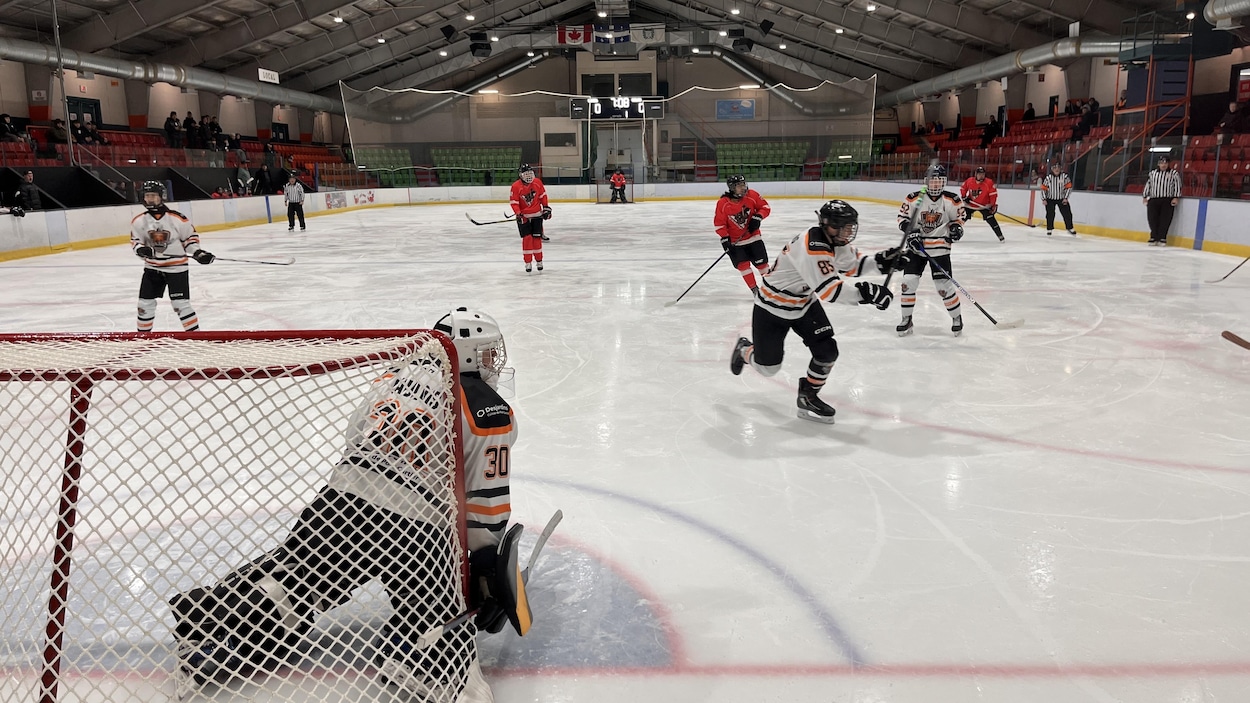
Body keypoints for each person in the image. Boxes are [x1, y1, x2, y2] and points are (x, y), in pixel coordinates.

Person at [169, 307, 518, 701]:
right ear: (468, 353)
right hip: (416, 531)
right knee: (437, 623)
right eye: (487, 352)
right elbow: (485, 501)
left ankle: (214, 623)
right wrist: (485, 568)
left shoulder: (394, 376)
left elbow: (355, 432)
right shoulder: (487, 407)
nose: (494, 362)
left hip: (342, 500)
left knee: (297, 580)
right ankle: (415, 661)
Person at [730, 200, 897, 423]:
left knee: (828, 351)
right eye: (845, 226)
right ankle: (744, 350)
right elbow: (830, 292)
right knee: (768, 368)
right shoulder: (813, 246)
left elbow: (852, 264)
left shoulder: (832, 239)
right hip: (772, 308)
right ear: (829, 225)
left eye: (850, 226)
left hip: (803, 303)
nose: (849, 232)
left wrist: (882, 262)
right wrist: (867, 294)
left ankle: (808, 395)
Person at [130, 180, 213, 332]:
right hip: (152, 269)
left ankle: (196, 336)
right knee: (144, 304)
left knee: (180, 305)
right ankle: (142, 337)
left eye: (153, 196)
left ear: (162, 196)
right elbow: (136, 241)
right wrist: (141, 250)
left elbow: (189, 239)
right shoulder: (139, 221)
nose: (150, 199)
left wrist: (198, 253)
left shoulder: (177, 218)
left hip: (177, 269)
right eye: (147, 196)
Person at [895, 165, 966, 337]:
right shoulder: (914, 199)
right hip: (916, 248)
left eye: (939, 181)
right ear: (926, 182)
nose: (935, 185)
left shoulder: (952, 199)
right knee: (907, 282)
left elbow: (960, 218)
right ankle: (906, 319)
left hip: (940, 248)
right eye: (932, 180)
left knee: (944, 286)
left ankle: (957, 318)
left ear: (944, 182)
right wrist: (911, 232)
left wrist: (957, 229)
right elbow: (902, 219)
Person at [714, 174, 772, 294]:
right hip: (737, 242)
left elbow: (765, 207)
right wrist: (725, 238)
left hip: (753, 238)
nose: (743, 187)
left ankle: (772, 288)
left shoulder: (752, 195)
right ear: (732, 188)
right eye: (739, 185)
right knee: (743, 266)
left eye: (743, 184)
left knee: (762, 265)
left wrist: (758, 216)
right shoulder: (723, 203)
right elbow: (719, 224)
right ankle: (754, 290)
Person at [509, 163, 550, 272]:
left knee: (537, 238)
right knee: (527, 239)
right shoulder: (516, 186)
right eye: (526, 174)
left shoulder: (537, 182)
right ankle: (528, 263)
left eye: (530, 173)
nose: (528, 176)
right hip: (524, 217)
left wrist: (546, 208)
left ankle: (539, 261)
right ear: (521, 175)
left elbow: (543, 196)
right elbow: (514, 202)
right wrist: (518, 213)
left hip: (537, 215)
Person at [1142, 155, 1182, 246]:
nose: (1163, 165)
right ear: (1158, 164)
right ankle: (1154, 237)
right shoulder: (1152, 173)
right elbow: (1148, 184)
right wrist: (1145, 196)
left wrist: (1176, 197)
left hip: (1167, 199)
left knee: (1165, 219)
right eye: (1161, 163)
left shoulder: (1174, 173)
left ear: (1168, 164)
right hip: (1154, 199)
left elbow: (1177, 185)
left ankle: (1162, 237)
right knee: (1152, 218)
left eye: (1165, 163)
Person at [959, 166, 1005, 242]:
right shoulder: (970, 181)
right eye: (979, 174)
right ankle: (953, 233)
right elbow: (963, 188)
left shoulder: (989, 183)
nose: (981, 176)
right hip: (971, 205)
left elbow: (993, 195)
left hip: (984, 206)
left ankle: (1000, 236)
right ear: (975, 174)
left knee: (991, 219)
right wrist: (964, 197)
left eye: (983, 174)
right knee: (961, 217)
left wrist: (992, 205)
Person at [1040, 161, 1076, 236]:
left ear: (1060, 169)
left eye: (1058, 168)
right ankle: (1049, 229)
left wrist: (1066, 198)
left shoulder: (1064, 177)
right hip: (1050, 199)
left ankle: (1070, 227)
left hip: (1061, 199)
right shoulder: (1048, 178)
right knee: (1050, 214)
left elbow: (1069, 187)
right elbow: (1043, 188)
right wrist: (1044, 199)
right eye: (1055, 168)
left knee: (1067, 214)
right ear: (1052, 169)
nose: (1056, 169)